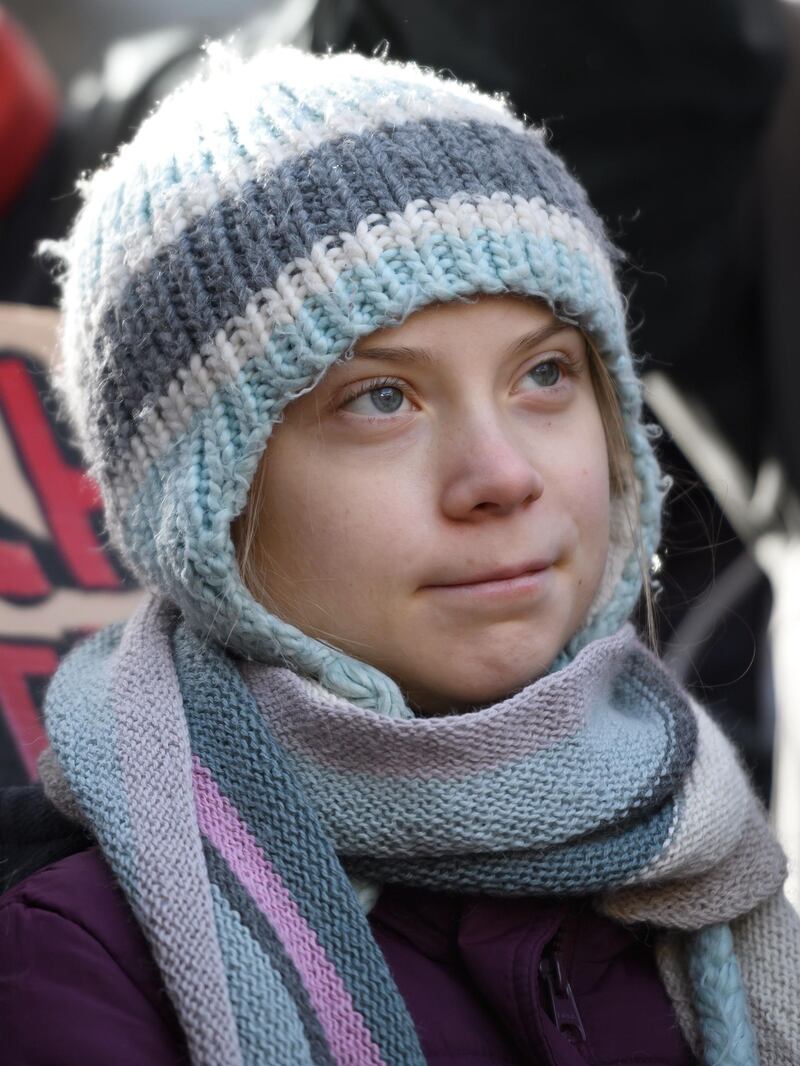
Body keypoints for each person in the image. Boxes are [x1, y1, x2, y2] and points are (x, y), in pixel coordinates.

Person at [0, 46, 797, 1065]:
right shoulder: (74, 964)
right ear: (205, 503)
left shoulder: (705, 863)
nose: (501, 473)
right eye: (381, 397)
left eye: (545, 372)